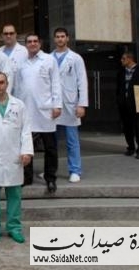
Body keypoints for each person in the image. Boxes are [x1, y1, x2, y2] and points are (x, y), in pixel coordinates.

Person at [0, 72, 33, 244]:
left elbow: (26, 130)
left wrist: (26, 151)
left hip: (13, 156)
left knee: (14, 196)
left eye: (1, 82)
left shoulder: (19, 105)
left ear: (7, 84)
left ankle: (14, 227)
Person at [14, 34, 61, 193]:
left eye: (35, 41)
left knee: (50, 148)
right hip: (27, 110)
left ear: (39, 43)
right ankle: (27, 177)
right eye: (29, 42)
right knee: (27, 146)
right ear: (26, 44)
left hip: (45, 111)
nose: (32, 44)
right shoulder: (21, 62)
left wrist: (57, 105)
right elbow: (18, 86)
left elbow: (56, 84)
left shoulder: (49, 60)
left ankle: (50, 178)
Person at [52, 28, 88, 182]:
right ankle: (51, 170)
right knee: (51, 141)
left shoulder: (76, 58)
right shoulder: (48, 58)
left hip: (70, 103)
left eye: (62, 36)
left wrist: (82, 104)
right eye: (57, 37)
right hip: (53, 104)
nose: (60, 39)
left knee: (72, 140)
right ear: (54, 39)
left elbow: (82, 82)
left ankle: (75, 170)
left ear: (67, 38)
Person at [117, 51, 139, 159]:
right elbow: (118, 88)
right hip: (124, 104)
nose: (121, 61)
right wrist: (118, 100)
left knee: (138, 128)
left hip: (137, 104)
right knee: (127, 127)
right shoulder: (121, 72)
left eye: (123, 59)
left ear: (130, 59)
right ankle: (130, 148)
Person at [0, 24, 28, 94]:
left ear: (15, 34)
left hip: (20, 92)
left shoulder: (24, 51)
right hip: (2, 92)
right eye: (6, 34)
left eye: (11, 33)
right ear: (2, 35)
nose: (8, 36)